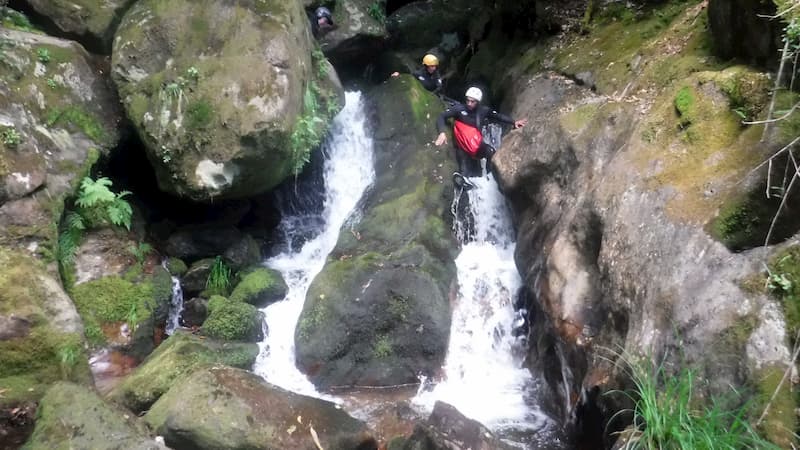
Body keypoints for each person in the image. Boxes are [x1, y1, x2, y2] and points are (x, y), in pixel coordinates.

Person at [435, 87, 527, 181]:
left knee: (490, 152)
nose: (469, 103)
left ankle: (489, 176)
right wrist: (442, 133)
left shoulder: (483, 111)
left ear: (478, 102)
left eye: (472, 101)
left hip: (476, 143)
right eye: (468, 100)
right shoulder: (459, 109)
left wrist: (513, 122)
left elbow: (498, 116)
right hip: (461, 145)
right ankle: (463, 181)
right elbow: (442, 116)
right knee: (464, 168)